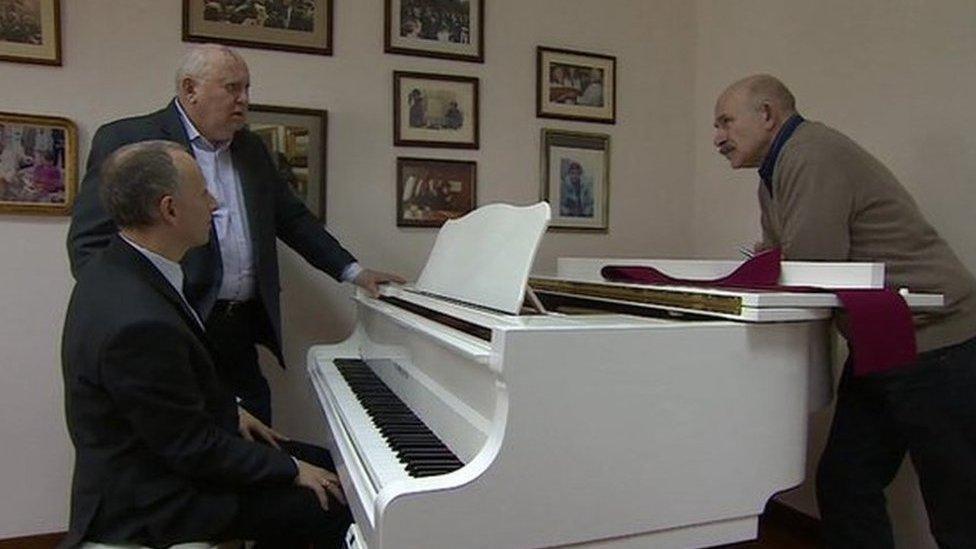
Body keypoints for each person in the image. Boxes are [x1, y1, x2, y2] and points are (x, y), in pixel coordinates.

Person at [67, 44, 403, 426]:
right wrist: (122, 313)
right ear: (190, 89)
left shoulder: (251, 148)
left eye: (247, 89)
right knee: (190, 446)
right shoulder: (130, 139)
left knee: (257, 437)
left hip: (239, 329)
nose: (244, 100)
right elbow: (89, 243)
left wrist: (354, 271)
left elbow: (292, 219)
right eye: (232, 88)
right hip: (168, 328)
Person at [712, 74, 976, 548]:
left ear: (767, 115)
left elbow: (810, 263)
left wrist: (774, 263)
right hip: (884, 337)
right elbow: (786, 261)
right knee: (846, 482)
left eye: (726, 122)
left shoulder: (811, 154)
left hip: (937, 339)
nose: (718, 137)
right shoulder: (773, 177)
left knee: (957, 505)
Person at [61, 141, 351, 548]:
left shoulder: (119, 267)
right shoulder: (138, 322)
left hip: (155, 462)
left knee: (327, 464)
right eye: (203, 193)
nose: (215, 204)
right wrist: (288, 470)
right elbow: (192, 449)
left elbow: (164, 393)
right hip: (154, 500)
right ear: (169, 210)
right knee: (334, 500)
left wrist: (228, 410)